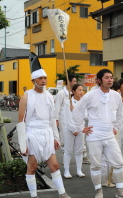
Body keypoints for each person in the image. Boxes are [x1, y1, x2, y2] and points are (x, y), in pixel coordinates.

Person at [71, 69, 123, 198]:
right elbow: (77, 111)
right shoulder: (90, 95)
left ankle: (120, 191)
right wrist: (82, 127)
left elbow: (121, 113)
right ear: (99, 80)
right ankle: (99, 191)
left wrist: (116, 126)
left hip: (109, 135)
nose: (110, 80)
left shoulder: (116, 95)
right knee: (96, 165)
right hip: (94, 135)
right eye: (106, 77)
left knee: (118, 163)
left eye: (111, 77)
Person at [17, 52, 70, 198]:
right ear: (33, 80)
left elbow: (52, 118)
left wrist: (55, 137)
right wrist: (22, 144)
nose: (43, 80)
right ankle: (34, 196)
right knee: (32, 167)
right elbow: (21, 121)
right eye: (40, 78)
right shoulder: (26, 97)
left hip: (47, 133)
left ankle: (62, 193)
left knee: (55, 166)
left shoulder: (49, 96)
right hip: (33, 134)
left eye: (45, 78)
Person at [63, 84, 86, 179]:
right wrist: (73, 129)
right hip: (69, 129)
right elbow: (68, 117)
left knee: (79, 151)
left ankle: (79, 170)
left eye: (82, 90)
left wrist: (75, 109)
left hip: (81, 128)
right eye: (79, 90)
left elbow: (86, 115)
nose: (81, 92)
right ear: (73, 91)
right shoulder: (68, 102)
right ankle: (66, 171)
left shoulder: (84, 102)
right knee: (68, 150)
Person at [55, 74, 77, 151]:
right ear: (69, 82)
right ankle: (65, 155)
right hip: (63, 119)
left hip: (73, 119)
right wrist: (56, 119)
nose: (75, 83)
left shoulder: (74, 93)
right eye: (74, 81)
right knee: (64, 137)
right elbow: (57, 107)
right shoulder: (61, 93)